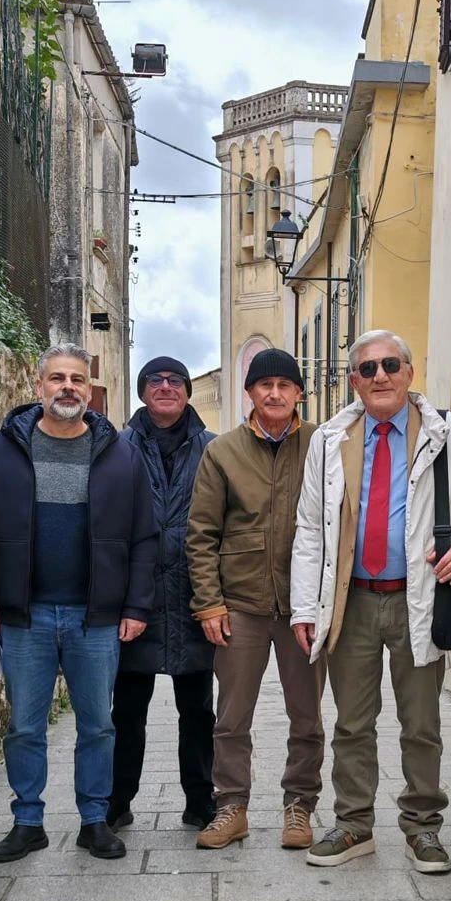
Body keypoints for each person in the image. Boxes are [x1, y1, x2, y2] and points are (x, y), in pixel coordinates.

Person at [290, 330, 451, 874]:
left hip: (418, 599)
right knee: (352, 723)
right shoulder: (329, 439)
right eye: (367, 368)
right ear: (353, 380)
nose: (380, 376)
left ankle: (423, 829)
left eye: (390, 365)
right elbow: (310, 527)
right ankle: (354, 825)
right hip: (351, 601)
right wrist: (304, 609)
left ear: (408, 372)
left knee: (421, 723)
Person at [0, 343, 156, 864]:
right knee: (25, 726)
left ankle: (95, 820)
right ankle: (28, 822)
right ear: (38, 385)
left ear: (89, 391)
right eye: (57, 379)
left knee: (98, 724)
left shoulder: (120, 453)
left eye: (77, 379)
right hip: (24, 615)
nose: (68, 387)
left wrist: (136, 607)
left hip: (96, 617)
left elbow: (144, 536)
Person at [185, 348, 325, 851]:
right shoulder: (222, 451)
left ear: (298, 392)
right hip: (239, 605)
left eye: (284, 385)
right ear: (249, 393)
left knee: (306, 716)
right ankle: (231, 807)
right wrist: (209, 603)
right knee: (231, 716)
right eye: (264, 385)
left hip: (303, 607)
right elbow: (201, 533)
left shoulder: (322, 445)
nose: (274, 393)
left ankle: (299, 807)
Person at [105, 356, 217, 834]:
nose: (166, 387)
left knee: (198, 712)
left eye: (176, 380)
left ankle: (200, 801)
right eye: (156, 380)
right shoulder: (115, 448)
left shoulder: (214, 450)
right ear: (142, 390)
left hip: (196, 599)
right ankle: (116, 801)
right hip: (137, 600)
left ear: (188, 392)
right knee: (127, 712)